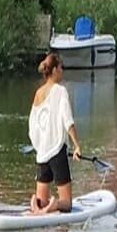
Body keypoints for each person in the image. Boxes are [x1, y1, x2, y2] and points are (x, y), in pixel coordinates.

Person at [27, 51, 82, 214]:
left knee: (41, 200)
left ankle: (38, 204)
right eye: (61, 67)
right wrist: (77, 146)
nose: (62, 71)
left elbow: (32, 126)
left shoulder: (38, 93)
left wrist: (39, 146)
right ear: (55, 70)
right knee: (67, 204)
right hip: (57, 151)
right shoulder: (60, 91)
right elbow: (68, 121)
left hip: (42, 154)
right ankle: (54, 205)